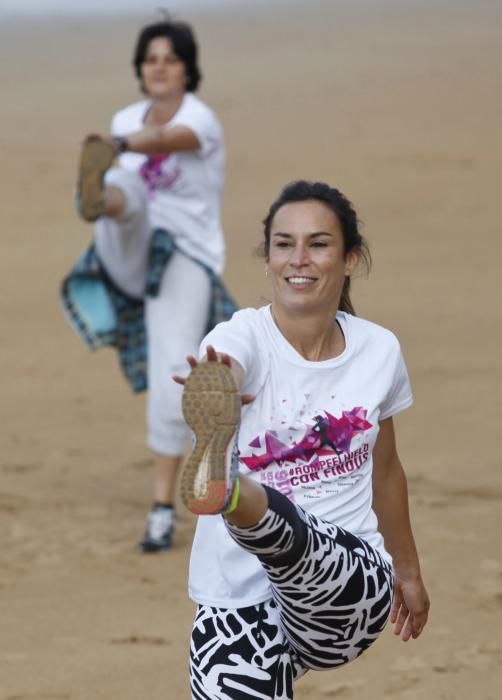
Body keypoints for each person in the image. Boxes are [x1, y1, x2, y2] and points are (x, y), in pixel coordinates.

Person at [174, 180, 430, 698]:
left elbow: (384, 469)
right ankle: (229, 487)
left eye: (318, 244)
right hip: (236, 600)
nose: (299, 259)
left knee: (290, 535)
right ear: (267, 258)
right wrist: (219, 383)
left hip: (346, 589)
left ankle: (231, 492)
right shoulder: (240, 334)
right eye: (284, 244)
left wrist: (408, 571)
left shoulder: (378, 350)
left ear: (349, 258)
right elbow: (226, 359)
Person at [60, 18, 236, 553]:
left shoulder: (199, 119)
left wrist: (119, 143)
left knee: (172, 380)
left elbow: (167, 137)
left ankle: (162, 508)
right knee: (126, 190)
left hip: (183, 256)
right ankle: (97, 198)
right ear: (140, 68)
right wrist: (114, 152)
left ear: (187, 68)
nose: (158, 65)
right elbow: (139, 138)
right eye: (150, 57)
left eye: (169, 57)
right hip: (128, 246)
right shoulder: (125, 115)